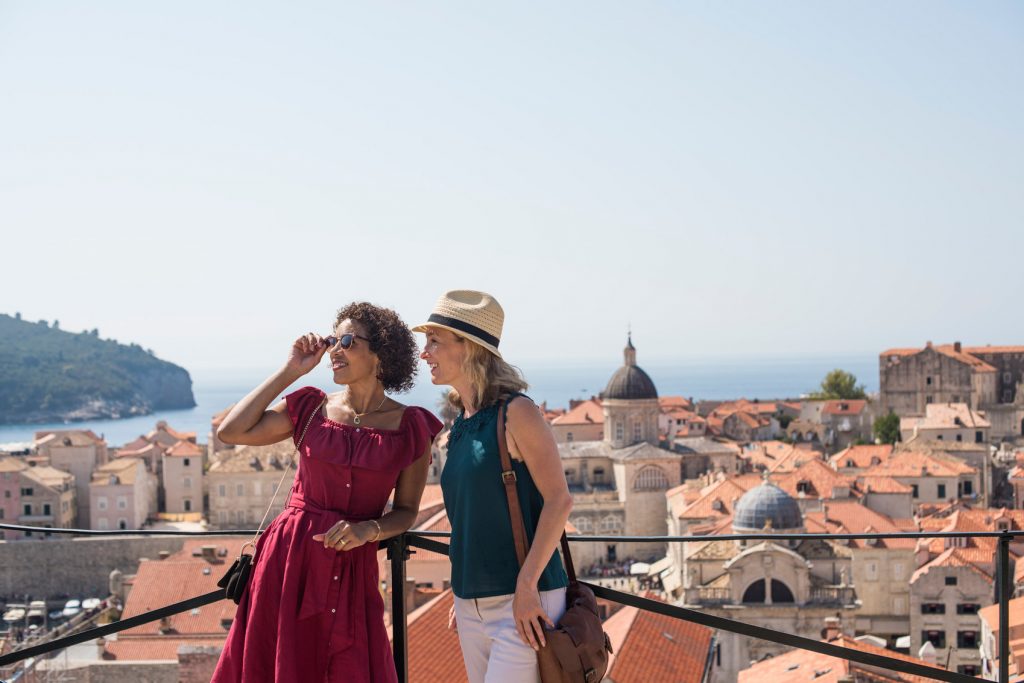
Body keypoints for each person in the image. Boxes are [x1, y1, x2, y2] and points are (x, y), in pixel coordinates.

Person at [212, 302, 442, 683]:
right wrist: (291, 370)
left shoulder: (411, 427)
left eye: (347, 341)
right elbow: (231, 431)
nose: (334, 350)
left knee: (347, 665)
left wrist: (370, 529)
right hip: (287, 562)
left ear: (380, 353)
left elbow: (405, 511)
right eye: (332, 340)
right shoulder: (311, 408)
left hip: (351, 567)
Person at [413, 290, 573, 683]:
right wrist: (464, 591)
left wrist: (525, 586)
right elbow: (469, 516)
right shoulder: (461, 424)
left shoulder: (517, 413)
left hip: (525, 600)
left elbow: (559, 501)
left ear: (468, 348)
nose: (424, 353)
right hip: (470, 604)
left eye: (435, 341)